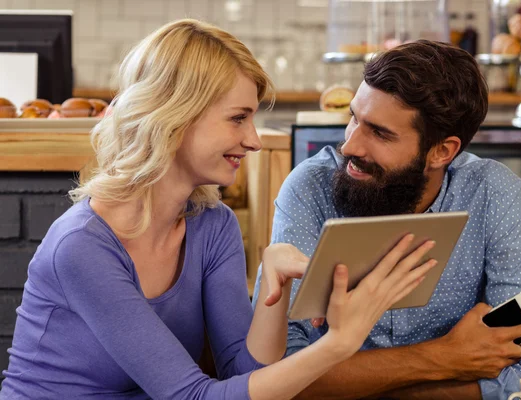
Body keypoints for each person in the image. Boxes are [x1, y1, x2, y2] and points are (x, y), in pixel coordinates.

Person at [0, 20, 438, 400]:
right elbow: (194, 396)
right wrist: (340, 343)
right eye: (237, 118)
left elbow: (245, 377)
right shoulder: (82, 247)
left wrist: (273, 285)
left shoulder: (212, 225)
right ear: (174, 116)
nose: (254, 139)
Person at [252, 40, 521, 400]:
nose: (350, 145)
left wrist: (360, 384)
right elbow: (274, 375)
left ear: (442, 152)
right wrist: (445, 358)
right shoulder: (310, 187)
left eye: (380, 133)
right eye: (354, 117)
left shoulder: (491, 191)